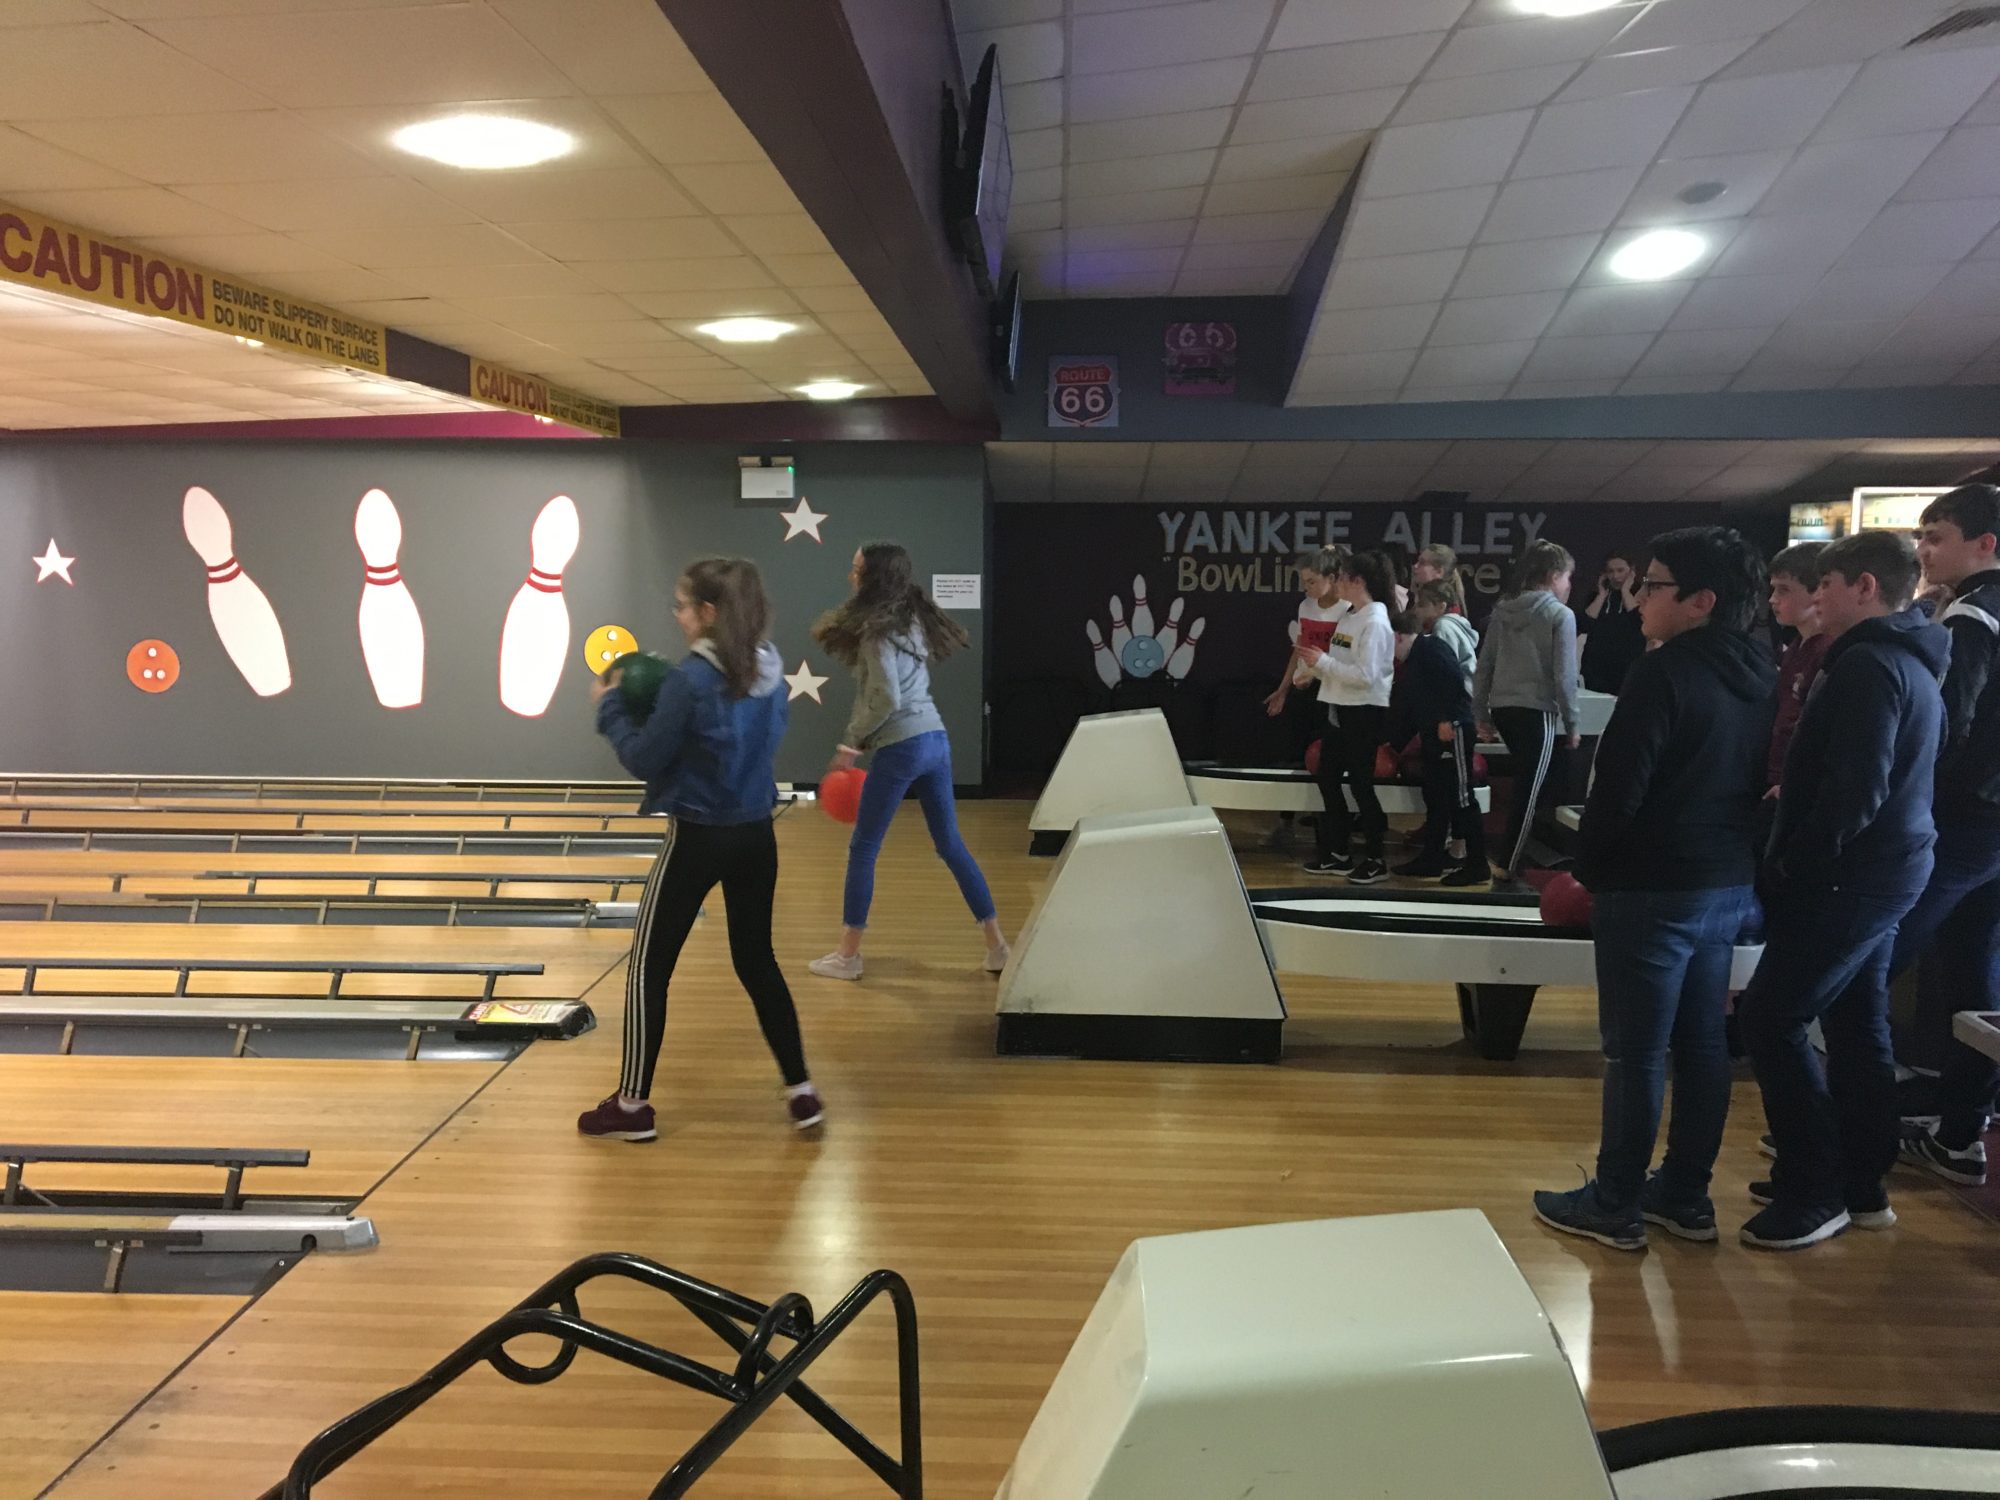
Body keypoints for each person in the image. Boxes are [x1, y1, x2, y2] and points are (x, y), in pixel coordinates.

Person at [1530, 529, 1774, 1251]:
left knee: (1635, 1052)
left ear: (1701, 601)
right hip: (1724, 883)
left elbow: (1618, 796)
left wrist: (1587, 870)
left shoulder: (1663, 674)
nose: (1640, 599)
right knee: (1701, 1043)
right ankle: (1685, 1196)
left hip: (1652, 887)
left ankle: (1613, 1203)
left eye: (1655, 585)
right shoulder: (1763, 672)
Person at [1738, 531, 1946, 1250]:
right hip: (1886, 869)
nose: (1815, 595)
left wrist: (1795, 859)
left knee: (1771, 1017)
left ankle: (1815, 1187)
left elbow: (1855, 790)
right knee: (1858, 1025)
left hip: (1852, 876)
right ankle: (1860, 1182)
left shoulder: (1868, 666)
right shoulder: (1905, 660)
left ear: (1866, 588)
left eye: (1827, 582)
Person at [577, 557, 823, 1140]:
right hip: (757, 834)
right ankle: (802, 1091)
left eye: (682, 606)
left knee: (646, 969)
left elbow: (644, 758)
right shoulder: (769, 667)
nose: (677, 615)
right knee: (757, 960)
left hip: (698, 836)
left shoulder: (691, 679)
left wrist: (611, 704)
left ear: (708, 614)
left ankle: (632, 1107)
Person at [807, 543, 1006, 982]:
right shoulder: (910, 621)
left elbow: (888, 697)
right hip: (935, 738)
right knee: (949, 844)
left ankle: (847, 956)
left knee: (864, 848)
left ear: (872, 577)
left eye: (856, 568)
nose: (850, 575)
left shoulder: (877, 632)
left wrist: (851, 743)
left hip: (903, 744)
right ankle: (997, 946)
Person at [1897, 484, 2000, 1186]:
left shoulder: (1970, 620)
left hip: (1963, 823)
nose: (1925, 551)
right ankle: (1960, 1131)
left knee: (1873, 958)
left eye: (1937, 537)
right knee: (1975, 976)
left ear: (1984, 545)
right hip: (1991, 829)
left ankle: (1851, 1126)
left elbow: (1948, 730)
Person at [1475, 541, 1581, 884]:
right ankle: (1508, 861)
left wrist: (1482, 714)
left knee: (1526, 784)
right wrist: (1572, 722)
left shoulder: (1503, 610)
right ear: (1553, 577)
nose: (1569, 586)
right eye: (1567, 578)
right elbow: (1564, 674)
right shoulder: (1560, 615)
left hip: (1504, 708)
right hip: (1537, 710)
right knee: (1529, 790)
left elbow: (1484, 666)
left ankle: (1512, 854)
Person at [1295, 550, 1398, 885]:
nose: (1335, 583)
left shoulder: (1375, 621)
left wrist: (1322, 664)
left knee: (1360, 785)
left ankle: (1375, 857)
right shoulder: (1351, 617)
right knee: (1328, 778)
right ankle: (1338, 852)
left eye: (1340, 577)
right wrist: (1314, 672)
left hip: (1364, 711)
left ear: (1358, 581)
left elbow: (1367, 675)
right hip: (1339, 707)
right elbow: (1339, 665)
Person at [1389, 580, 1490, 886]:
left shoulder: (1431, 648)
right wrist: (1393, 744)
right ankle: (1431, 858)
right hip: (1435, 734)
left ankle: (1477, 864)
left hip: (1453, 730)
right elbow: (1411, 708)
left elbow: (1455, 683)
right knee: (1435, 795)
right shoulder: (1413, 662)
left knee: (1461, 796)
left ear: (1398, 637)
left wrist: (1447, 719)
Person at [1262, 548, 1349, 851]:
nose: (1307, 588)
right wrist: (1283, 689)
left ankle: (1327, 833)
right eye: (1304, 582)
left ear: (1331, 578)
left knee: (1322, 761)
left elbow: (1342, 657)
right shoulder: (1306, 607)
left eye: (1312, 581)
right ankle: (1285, 824)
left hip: (1329, 693)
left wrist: (1314, 676)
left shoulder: (1348, 611)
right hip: (1302, 689)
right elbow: (1299, 650)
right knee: (1292, 755)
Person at [1765, 542, 1831, 798]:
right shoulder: (1796, 645)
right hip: (1778, 774)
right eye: (1773, 590)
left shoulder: (1827, 649)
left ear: (1818, 592)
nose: (1772, 600)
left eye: (1784, 590)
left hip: (1795, 782)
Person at [1581, 550, 1646, 694]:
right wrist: (1601, 595)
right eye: (1610, 571)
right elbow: (1584, 625)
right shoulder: (1596, 596)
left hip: (1628, 669)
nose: (1615, 576)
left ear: (1631, 571)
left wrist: (1625, 592)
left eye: (1620, 570)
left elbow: (1640, 623)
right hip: (1595, 669)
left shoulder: (1641, 595)